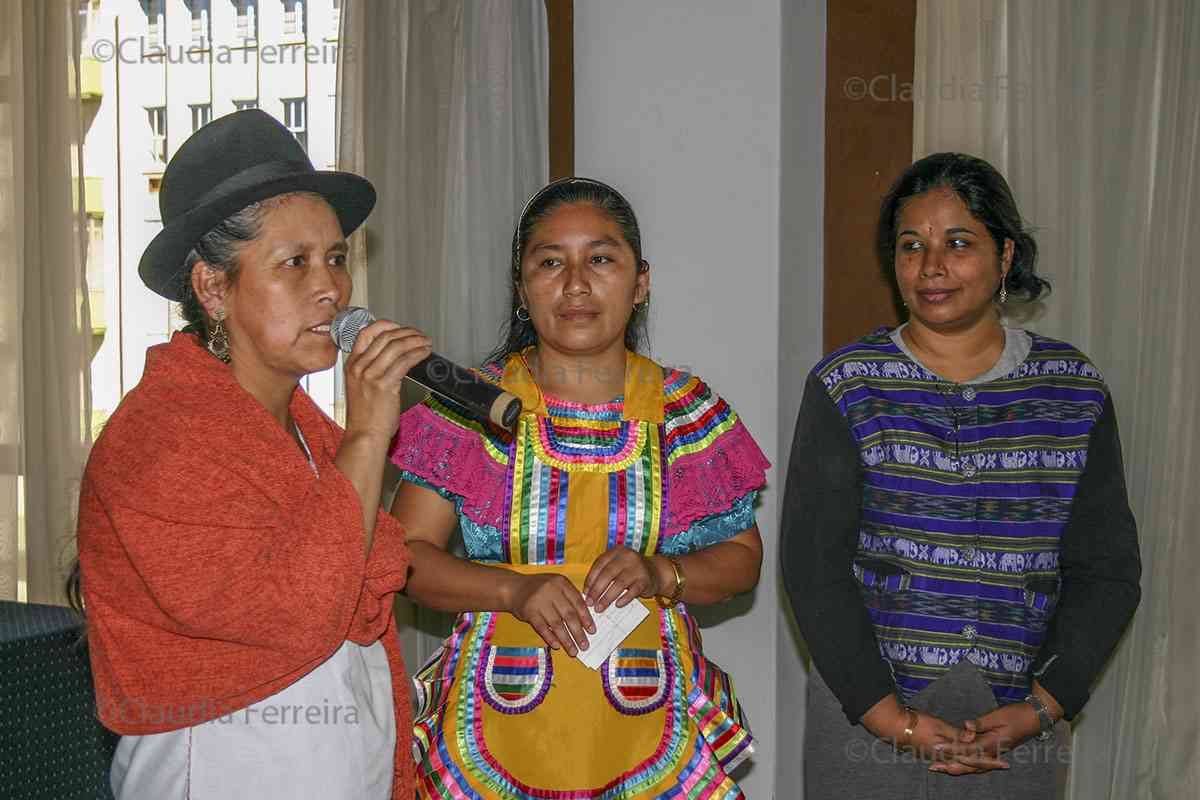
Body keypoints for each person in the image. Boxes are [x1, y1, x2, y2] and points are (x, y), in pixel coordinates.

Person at [72, 110, 429, 799]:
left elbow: (368, 583)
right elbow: (298, 610)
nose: (331, 287)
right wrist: (366, 437)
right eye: (295, 262)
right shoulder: (159, 438)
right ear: (212, 287)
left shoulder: (303, 429)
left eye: (335, 257)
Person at [388, 178, 769, 798]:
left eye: (600, 258)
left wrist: (660, 572)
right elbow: (404, 561)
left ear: (640, 281)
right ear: (521, 288)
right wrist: (513, 590)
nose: (575, 284)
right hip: (490, 731)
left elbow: (742, 559)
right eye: (549, 262)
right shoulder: (465, 409)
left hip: (651, 724)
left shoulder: (688, 413)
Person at [781, 152, 1142, 797]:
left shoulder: (1072, 390)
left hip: (1015, 725)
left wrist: (1043, 707)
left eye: (958, 243)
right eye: (911, 245)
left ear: (1005, 256)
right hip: (867, 715)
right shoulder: (848, 384)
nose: (931, 267)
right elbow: (813, 568)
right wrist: (893, 720)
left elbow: (1107, 570)